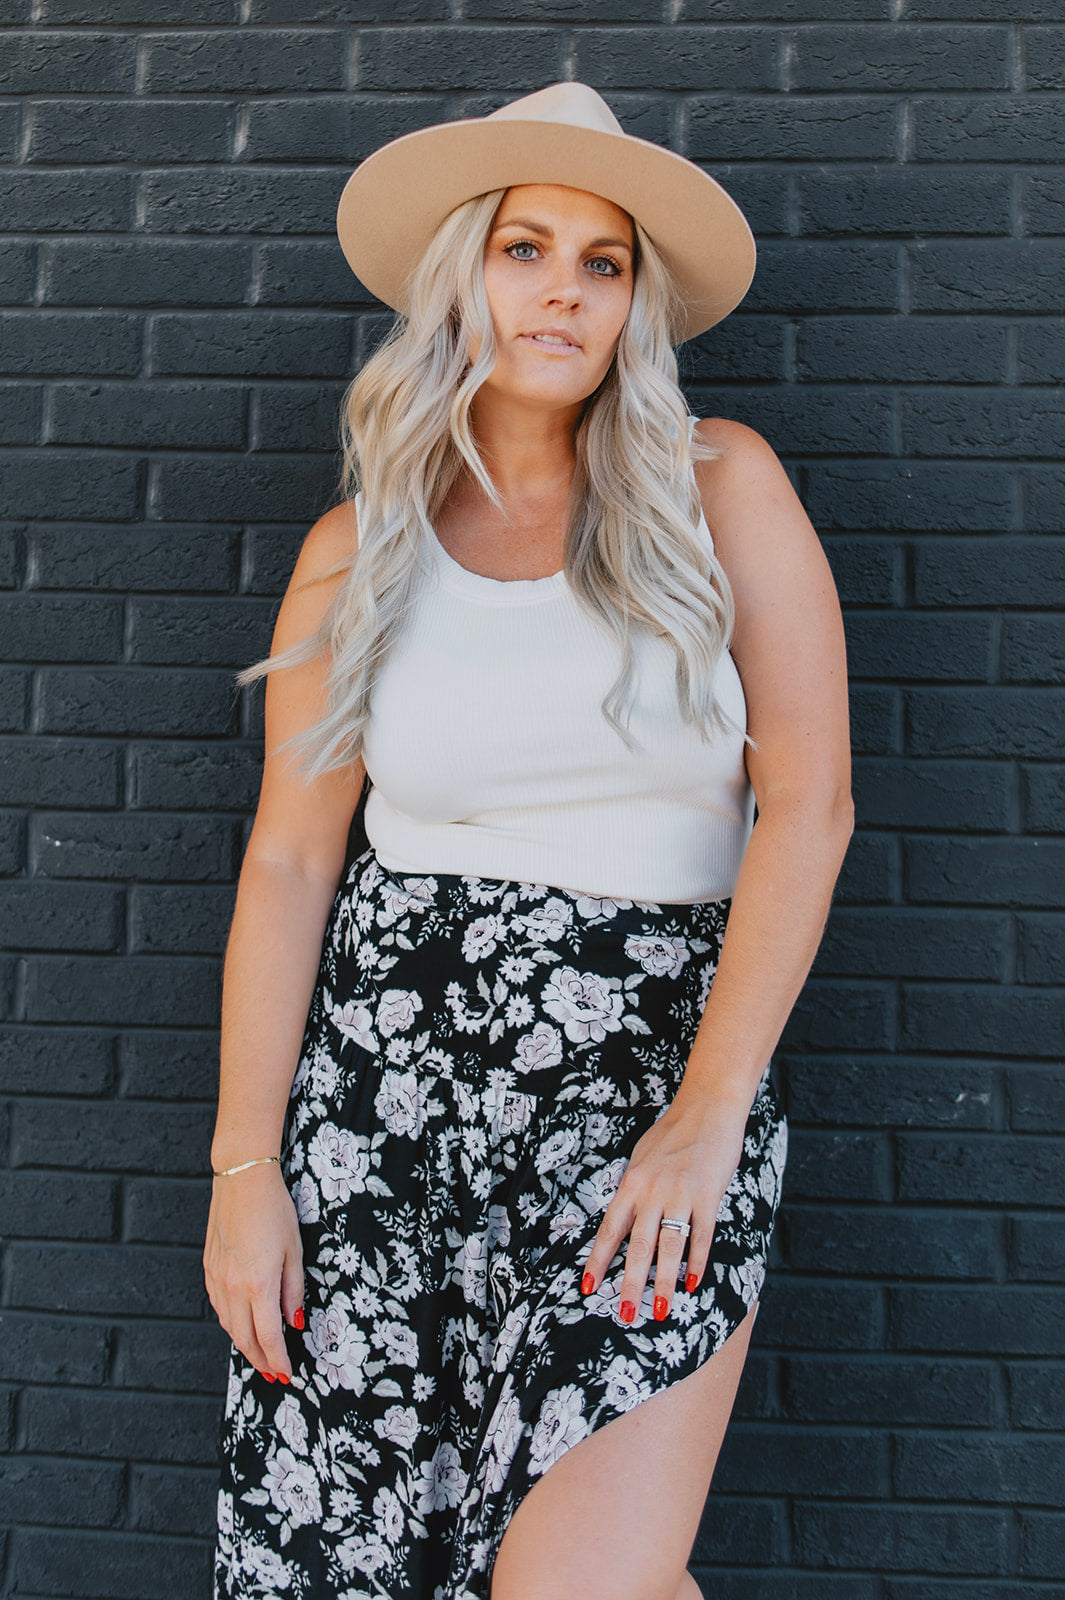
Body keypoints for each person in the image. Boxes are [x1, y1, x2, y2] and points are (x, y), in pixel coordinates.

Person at [204, 81, 853, 1600]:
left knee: (580, 1581)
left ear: (633, 305)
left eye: (601, 262)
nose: (563, 288)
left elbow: (809, 806)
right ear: (462, 279)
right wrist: (244, 1168)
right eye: (524, 248)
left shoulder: (718, 486)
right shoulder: (357, 549)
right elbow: (290, 864)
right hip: (379, 1125)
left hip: (643, 1102)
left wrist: (709, 1114)